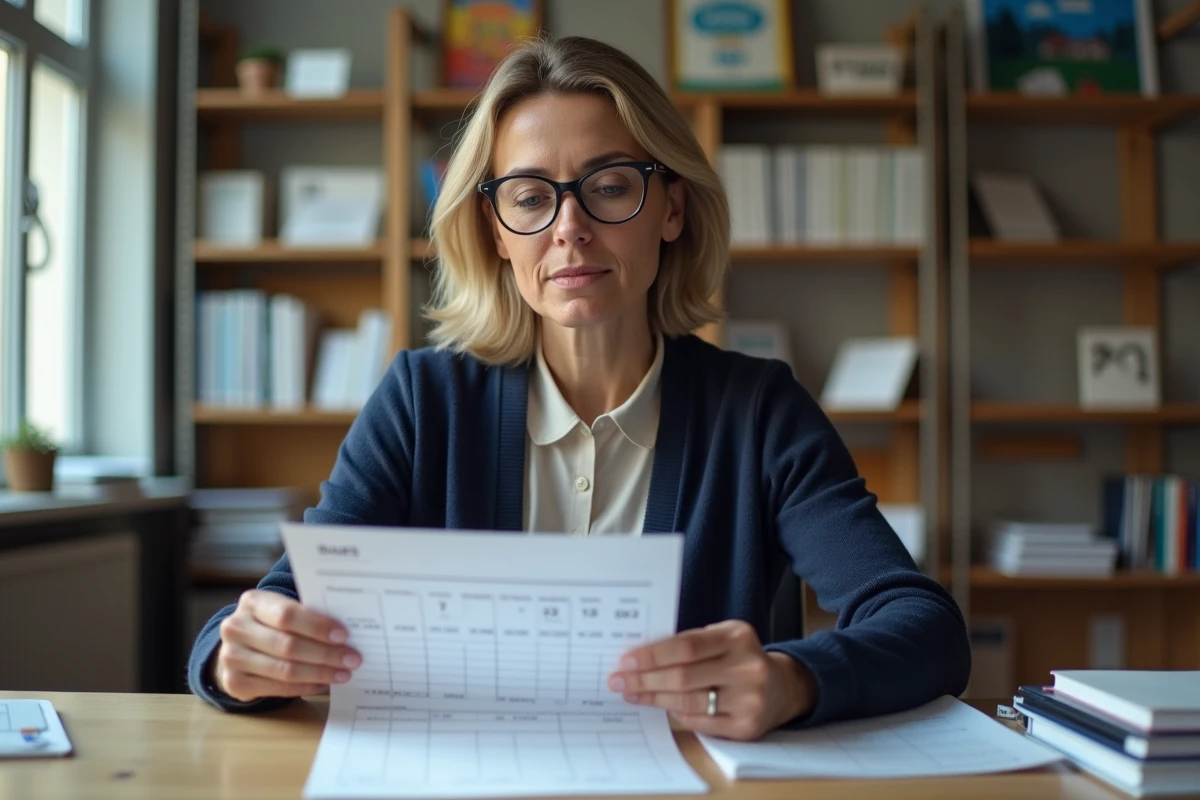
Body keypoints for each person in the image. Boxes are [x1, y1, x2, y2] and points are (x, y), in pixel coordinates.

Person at [188, 34, 970, 741]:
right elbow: (265, 616)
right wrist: (240, 659)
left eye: (609, 184)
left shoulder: (759, 412)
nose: (569, 227)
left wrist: (794, 680)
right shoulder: (422, 402)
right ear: (496, 232)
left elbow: (923, 625)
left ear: (671, 207)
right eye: (530, 196)